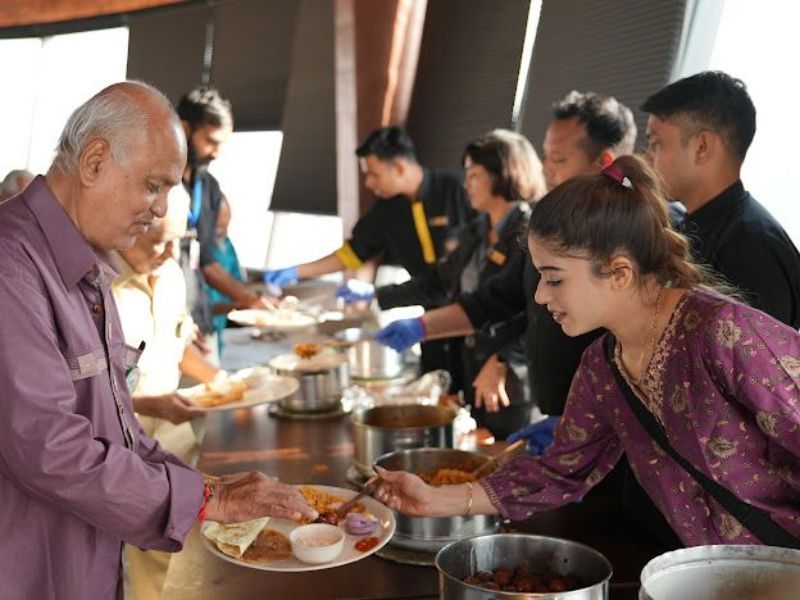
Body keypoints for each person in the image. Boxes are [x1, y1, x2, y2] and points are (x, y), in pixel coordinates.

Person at [374, 155, 800, 548]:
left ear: (619, 273)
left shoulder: (723, 333)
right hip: (711, 573)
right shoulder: (602, 367)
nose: (541, 296)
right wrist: (434, 499)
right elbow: (562, 471)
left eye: (554, 279)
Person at [0, 81, 316, 599]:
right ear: (94, 162)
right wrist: (206, 501)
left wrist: (212, 490)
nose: (160, 209)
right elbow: (48, 449)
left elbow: (116, 427)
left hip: (88, 561)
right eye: (153, 186)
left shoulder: (85, 269)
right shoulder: (11, 266)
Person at [375, 92, 637, 422]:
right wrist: (421, 326)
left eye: (557, 159)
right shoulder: (548, 227)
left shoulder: (630, 240)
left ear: (604, 163)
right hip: (556, 407)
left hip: (596, 417)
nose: (546, 170)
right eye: (545, 156)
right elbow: (498, 299)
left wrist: (508, 359)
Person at [342, 130, 546, 438]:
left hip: (508, 379)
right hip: (470, 366)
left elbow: (535, 312)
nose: (466, 184)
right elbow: (437, 282)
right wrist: (376, 295)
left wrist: (505, 359)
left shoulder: (531, 234)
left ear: (503, 174)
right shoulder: (476, 231)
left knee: (507, 451)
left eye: (474, 175)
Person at [267, 125, 475, 373]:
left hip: (473, 312)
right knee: (436, 379)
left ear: (399, 167)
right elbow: (352, 254)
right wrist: (296, 271)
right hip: (429, 316)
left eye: (374, 174)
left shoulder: (456, 190)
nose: (368, 183)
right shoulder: (385, 210)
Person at [643, 71, 800, 328]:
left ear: (702, 147)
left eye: (656, 143)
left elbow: (757, 353)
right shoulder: (690, 226)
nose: (647, 157)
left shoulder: (754, 249)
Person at [176, 86, 274, 346]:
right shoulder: (158, 181)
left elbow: (208, 262)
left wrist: (251, 299)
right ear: (184, 128)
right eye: (211, 141)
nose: (216, 153)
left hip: (198, 321)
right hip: (164, 320)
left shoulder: (208, 188)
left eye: (221, 144)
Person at [205, 196, 248, 358]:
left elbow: (239, 283)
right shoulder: (194, 254)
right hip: (198, 336)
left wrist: (254, 296)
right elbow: (198, 306)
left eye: (227, 226)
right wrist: (239, 305)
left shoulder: (226, 244)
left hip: (218, 334)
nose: (224, 232)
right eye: (219, 227)